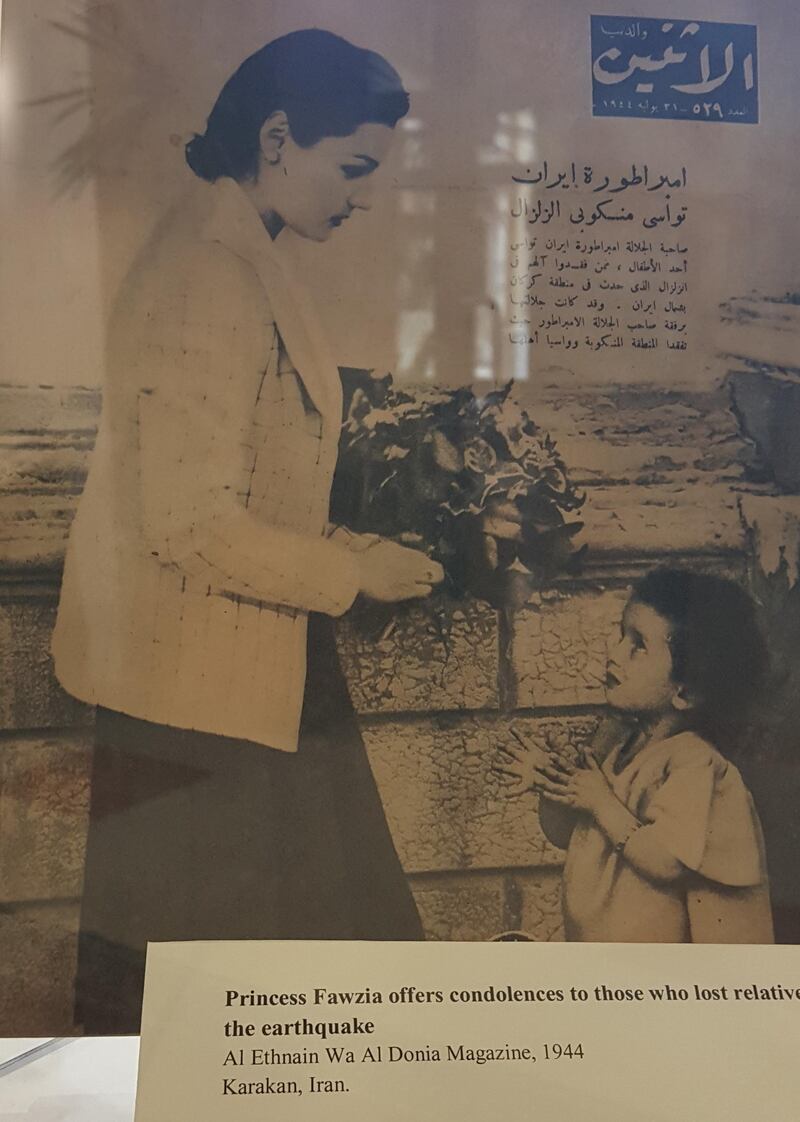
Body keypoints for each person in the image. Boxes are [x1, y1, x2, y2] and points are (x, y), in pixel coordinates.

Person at [52, 29, 445, 1034]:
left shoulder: (236, 251)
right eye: (352, 167)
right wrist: (347, 576)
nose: (360, 195)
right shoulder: (206, 271)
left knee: (285, 990)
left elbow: (232, 487)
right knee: (228, 1002)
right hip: (196, 705)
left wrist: (348, 551)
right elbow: (185, 524)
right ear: (277, 139)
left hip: (236, 683)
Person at [496, 568, 774, 943]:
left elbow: (667, 861)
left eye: (638, 644)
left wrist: (599, 801)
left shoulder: (694, 764)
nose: (615, 654)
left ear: (685, 693)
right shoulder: (617, 741)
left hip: (662, 981)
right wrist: (550, 781)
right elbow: (564, 833)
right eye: (620, 636)